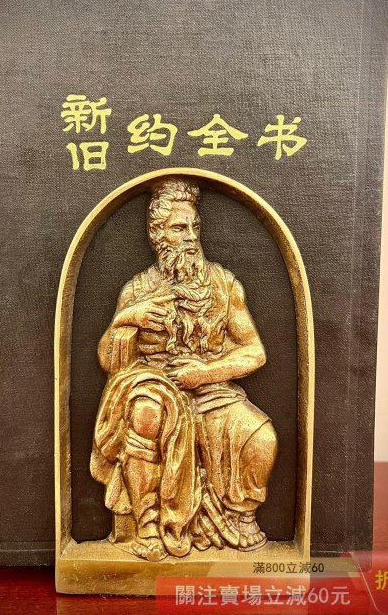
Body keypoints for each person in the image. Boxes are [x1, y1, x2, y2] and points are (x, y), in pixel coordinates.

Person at [90, 178, 278, 561]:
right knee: (146, 412)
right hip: (154, 384)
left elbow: (254, 352)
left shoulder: (223, 285)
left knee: (262, 437)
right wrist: (127, 318)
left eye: (194, 226)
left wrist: (205, 372)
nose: (190, 237)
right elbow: (110, 361)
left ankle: (240, 517)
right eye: (179, 228)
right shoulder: (136, 290)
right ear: (158, 235)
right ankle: (148, 525)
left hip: (212, 390)